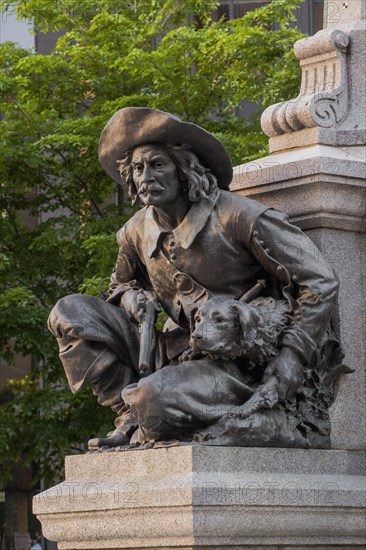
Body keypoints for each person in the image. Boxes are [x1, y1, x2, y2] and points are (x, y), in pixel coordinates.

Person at [48, 107, 339, 449]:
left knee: (152, 400)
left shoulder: (238, 216)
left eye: (158, 165)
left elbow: (319, 280)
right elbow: (120, 285)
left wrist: (292, 355)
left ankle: (151, 407)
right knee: (68, 314)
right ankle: (128, 414)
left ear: (184, 170)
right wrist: (129, 298)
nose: (145, 177)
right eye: (138, 168)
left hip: (236, 363)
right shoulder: (134, 232)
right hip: (173, 355)